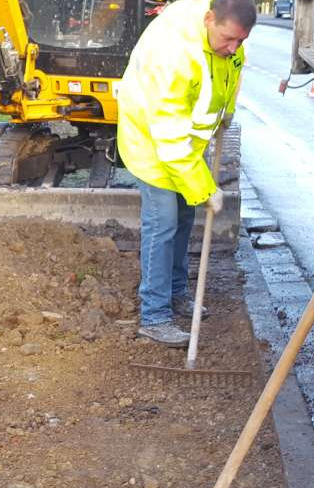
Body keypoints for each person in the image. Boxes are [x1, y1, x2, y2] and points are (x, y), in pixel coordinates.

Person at [116, 0, 252, 347]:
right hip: (151, 138)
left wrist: (227, 111)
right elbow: (169, 141)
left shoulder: (226, 34)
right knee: (162, 222)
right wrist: (206, 188)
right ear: (209, 20)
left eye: (240, 41)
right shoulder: (174, 55)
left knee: (184, 214)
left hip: (183, 143)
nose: (233, 47)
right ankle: (154, 315)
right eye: (228, 39)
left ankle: (176, 293)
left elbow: (231, 70)